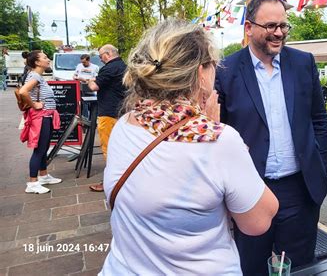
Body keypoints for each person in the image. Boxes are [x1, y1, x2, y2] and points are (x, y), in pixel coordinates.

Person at [99, 19, 278, 275]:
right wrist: (212, 128)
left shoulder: (124, 126)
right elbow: (259, 221)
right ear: (200, 73)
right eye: (213, 65)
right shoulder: (218, 141)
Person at [215, 0, 327, 274]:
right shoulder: (226, 70)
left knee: (301, 267)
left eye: (283, 26)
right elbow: (218, 133)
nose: (278, 33)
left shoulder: (304, 63)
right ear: (249, 27)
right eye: (270, 26)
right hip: (250, 190)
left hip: (300, 191)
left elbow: (319, 119)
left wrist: (320, 164)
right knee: (251, 267)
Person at [19, 50, 62, 194]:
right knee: (40, 149)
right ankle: (32, 183)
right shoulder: (35, 76)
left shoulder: (38, 76)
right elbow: (23, 91)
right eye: (45, 58)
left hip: (46, 116)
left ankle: (43, 176)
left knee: (44, 148)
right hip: (41, 117)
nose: (48, 59)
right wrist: (34, 105)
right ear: (37, 62)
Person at [87, 45, 126, 192]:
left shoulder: (109, 68)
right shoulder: (124, 66)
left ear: (108, 54)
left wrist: (91, 80)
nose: (100, 58)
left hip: (108, 113)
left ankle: (110, 182)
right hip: (122, 112)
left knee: (109, 149)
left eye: (101, 55)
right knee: (121, 148)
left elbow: (94, 87)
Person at [73, 54, 99, 118]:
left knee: (93, 106)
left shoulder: (95, 67)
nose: (83, 64)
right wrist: (77, 78)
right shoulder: (79, 66)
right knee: (83, 105)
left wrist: (86, 80)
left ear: (88, 60)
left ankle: (92, 120)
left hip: (90, 89)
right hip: (81, 88)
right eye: (82, 62)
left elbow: (96, 78)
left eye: (84, 62)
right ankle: (85, 118)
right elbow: (74, 75)